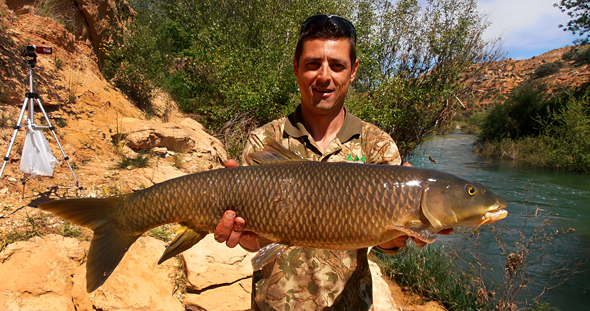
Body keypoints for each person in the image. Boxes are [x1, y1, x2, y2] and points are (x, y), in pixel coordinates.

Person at [214, 14, 452, 310]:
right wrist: (243, 234)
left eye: (337, 65)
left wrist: (406, 230)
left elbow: (385, 243)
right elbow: (256, 241)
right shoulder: (265, 140)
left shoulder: (378, 145)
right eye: (313, 64)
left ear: (353, 71)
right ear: (296, 68)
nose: (324, 76)